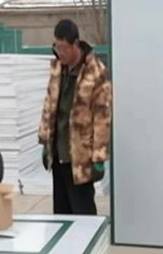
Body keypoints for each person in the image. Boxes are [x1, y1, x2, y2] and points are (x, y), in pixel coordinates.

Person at [38, 19, 112, 215]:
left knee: (83, 214)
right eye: (56, 47)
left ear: (75, 44)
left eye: (63, 48)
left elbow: (103, 117)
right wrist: (44, 140)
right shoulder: (57, 68)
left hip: (80, 157)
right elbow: (49, 104)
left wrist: (99, 157)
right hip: (58, 153)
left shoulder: (96, 72)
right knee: (61, 214)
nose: (60, 52)